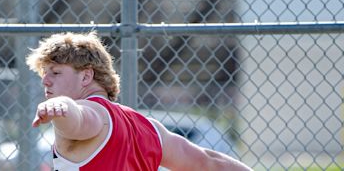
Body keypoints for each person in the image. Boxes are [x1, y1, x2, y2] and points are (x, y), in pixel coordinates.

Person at [26, 31, 253, 171]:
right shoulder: (150, 128)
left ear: (86, 76)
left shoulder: (82, 114)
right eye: (44, 73)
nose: (45, 81)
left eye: (55, 72)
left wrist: (62, 107)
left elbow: (81, 118)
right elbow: (209, 162)